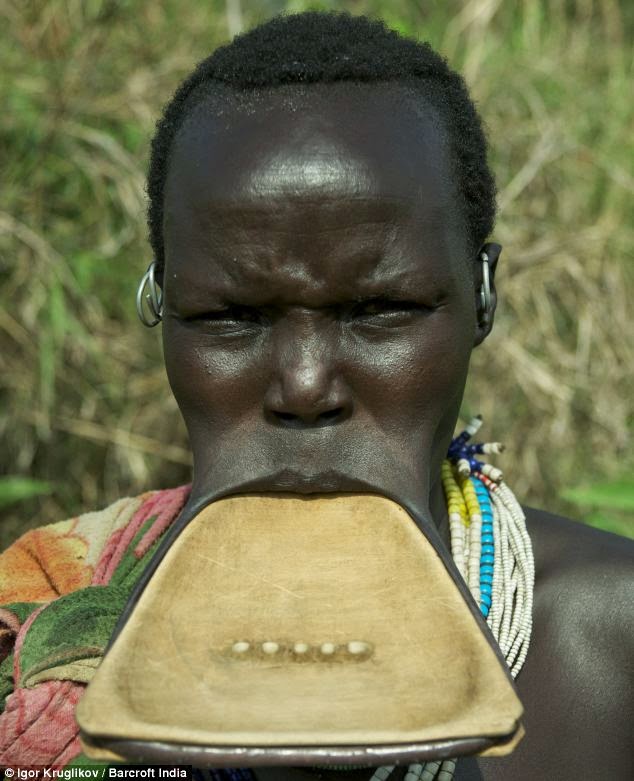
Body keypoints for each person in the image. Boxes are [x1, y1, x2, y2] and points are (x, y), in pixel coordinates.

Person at [0, 11, 632, 781]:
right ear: (163, 306)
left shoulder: (612, 648)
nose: (303, 387)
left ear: (482, 296)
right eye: (231, 316)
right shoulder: (46, 629)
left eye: (381, 309)